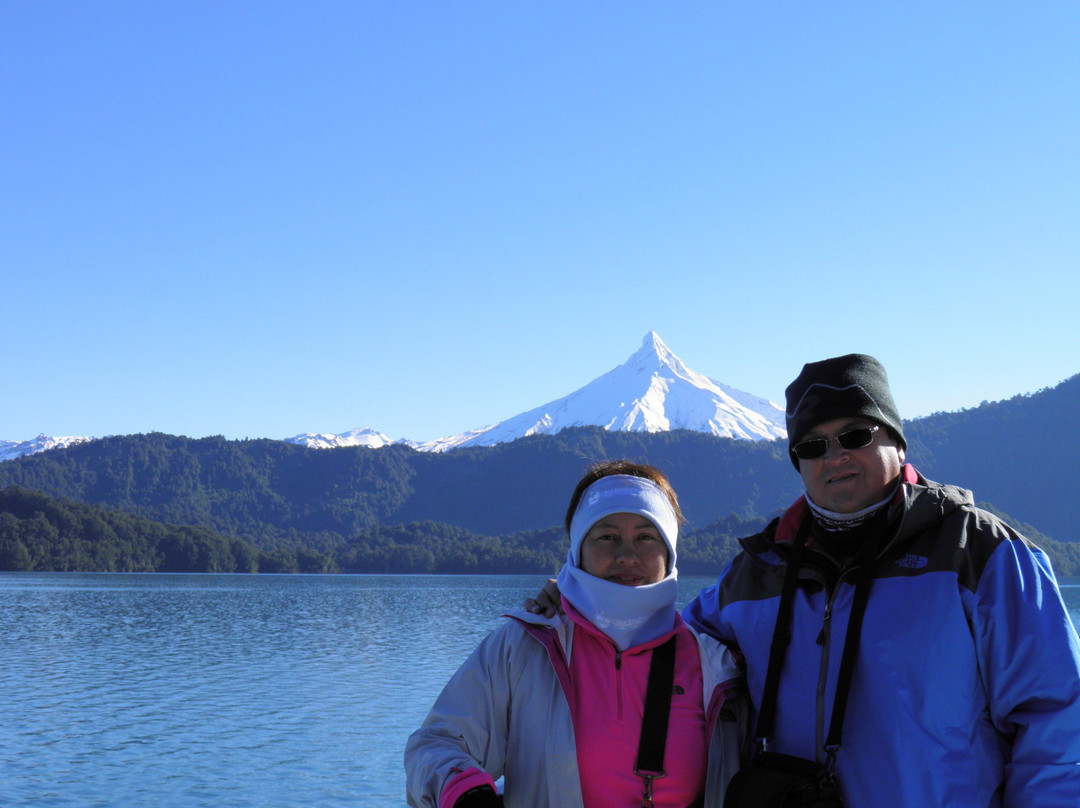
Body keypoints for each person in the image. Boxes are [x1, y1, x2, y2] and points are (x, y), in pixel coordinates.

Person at [529, 354, 1080, 807]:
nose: (835, 456)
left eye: (856, 435)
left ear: (897, 441)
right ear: (797, 462)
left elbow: (1059, 720)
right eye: (812, 446)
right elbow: (662, 643)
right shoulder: (760, 569)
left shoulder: (978, 554)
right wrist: (579, 602)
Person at [405, 460, 747, 808]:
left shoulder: (716, 663)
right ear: (577, 551)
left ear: (670, 551)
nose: (627, 555)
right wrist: (466, 793)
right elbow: (437, 744)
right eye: (607, 537)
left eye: (646, 536)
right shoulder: (524, 648)